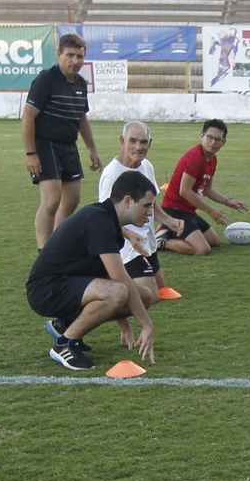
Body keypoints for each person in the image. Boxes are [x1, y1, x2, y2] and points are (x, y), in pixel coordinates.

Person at [28, 171, 162, 371]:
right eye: (146, 205)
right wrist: (146, 324)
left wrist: (124, 323)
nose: (150, 213)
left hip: (66, 284)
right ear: (127, 201)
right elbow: (118, 279)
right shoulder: (99, 221)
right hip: (46, 290)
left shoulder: (108, 220)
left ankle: (66, 325)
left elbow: (107, 276)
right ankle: (64, 343)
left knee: (144, 295)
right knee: (118, 291)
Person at [22, 32, 101, 251]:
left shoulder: (81, 84)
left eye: (80, 57)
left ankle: (57, 245)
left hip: (69, 145)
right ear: (59, 54)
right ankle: (43, 252)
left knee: (73, 199)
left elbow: (81, 117)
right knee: (51, 201)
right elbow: (28, 115)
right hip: (46, 145)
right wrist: (31, 153)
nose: (75, 61)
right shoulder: (46, 79)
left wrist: (92, 149)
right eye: (71, 55)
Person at [98, 120, 185, 312]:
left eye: (143, 142)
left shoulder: (147, 166)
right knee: (151, 296)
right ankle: (104, 294)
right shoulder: (112, 175)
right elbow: (105, 219)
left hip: (147, 242)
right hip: (128, 247)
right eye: (133, 141)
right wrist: (129, 235)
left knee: (161, 289)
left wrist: (169, 221)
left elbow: (151, 202)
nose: (138, 147)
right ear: (122, 141)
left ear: (150, 143)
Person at [160, 119, 248, 257]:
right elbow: (184, 191)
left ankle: (170, 232)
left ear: (223, 142)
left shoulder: (212, 159)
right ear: (202, 135)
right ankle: (160, 241)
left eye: (218, 139)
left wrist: (227, 201)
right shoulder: (195, 157)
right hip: (174, 211)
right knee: (202, 250)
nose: (213, 142)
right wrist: (209, 210)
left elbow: (207, 189)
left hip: (188, 212)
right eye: (210, 137)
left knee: (215, 241)